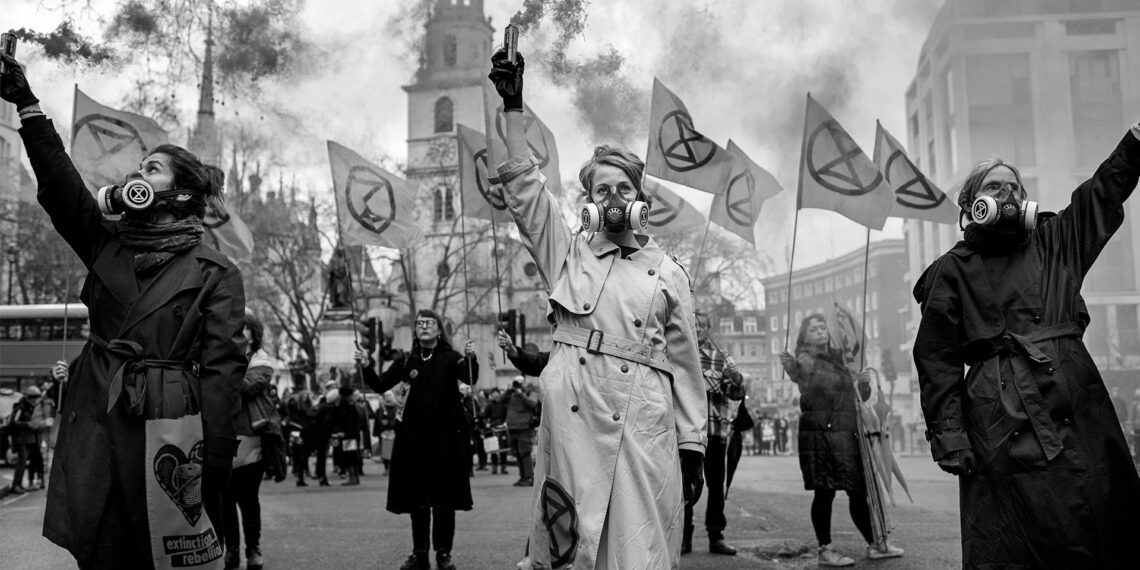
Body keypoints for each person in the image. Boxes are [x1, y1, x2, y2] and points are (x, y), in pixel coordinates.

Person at [3, 54, 247, 568]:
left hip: (168, 425)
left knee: (159, 549)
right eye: (138, 168)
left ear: (179, 193)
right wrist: (27, 105)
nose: (137, 174)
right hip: (97, 411)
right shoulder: (106, 242)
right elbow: (61, 189)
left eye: (152, 169)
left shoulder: (215, 271)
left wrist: (215, 462)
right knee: (101, 545)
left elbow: (223, 372)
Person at [489, 49, 707, 569]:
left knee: (638, 550)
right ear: (588, 201)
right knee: (572, 547)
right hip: (575, 420)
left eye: (623, 188)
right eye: (601, 189)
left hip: (643, 422)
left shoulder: (669, 272)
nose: (613, 197)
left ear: (640, 199)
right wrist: (514, 108)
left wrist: (693, 444)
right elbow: (526, 192)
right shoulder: (567, 255)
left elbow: (685, 365)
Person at [913, 124, 1140, 567]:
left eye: (1015, 187)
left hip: (1075, 397)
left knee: (1098, 513)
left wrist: (1133, 144)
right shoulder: (951, 270)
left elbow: (1100, 196)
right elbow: (937, 358)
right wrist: (950, 435)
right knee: (1018, 534)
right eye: (995, 187)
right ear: (972, 204)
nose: (1009, 195)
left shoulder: (1054, 242)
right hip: (1000, 416)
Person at [355, 309, 477, 570]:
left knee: (444, 502)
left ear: (439, 330)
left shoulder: (450, 357)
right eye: (419, 323)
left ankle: (443, 553)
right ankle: (419, 554)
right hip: (414, 442)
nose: (423, 326)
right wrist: (366, 365)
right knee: (418, 502)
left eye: (429, 323)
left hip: (445, 442)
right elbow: (380, 385)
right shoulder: (406, 360)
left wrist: (471, 357)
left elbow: (470, 377)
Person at [779, 314, 904, 566]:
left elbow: (857, 396)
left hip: (846, 434)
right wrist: (793, 368)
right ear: (805, 336)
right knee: (824, 492)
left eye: (822, 326)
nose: (820, 331)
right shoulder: (805, 358)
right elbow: (806, 379)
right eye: (813, 329)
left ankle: (875, 543)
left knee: (857, 491)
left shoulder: (840, 357)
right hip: (821, 436)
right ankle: (825, 550)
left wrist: (863, 384)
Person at [682, 311, 745, 556]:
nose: (697, 329)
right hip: (687, 433)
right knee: (685, 484)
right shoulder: (679, 352)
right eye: (693, 324)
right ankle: (683, 538)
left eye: (702, 325)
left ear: (708, 329)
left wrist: (737, 380)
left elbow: (735, 394)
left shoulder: (721, 358)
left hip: (714, 431)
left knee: (716, 486)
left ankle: (716, 536)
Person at [223, 313, 276, 570]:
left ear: (254, 336)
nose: (239, 333)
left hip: (250, 436)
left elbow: (245, 387)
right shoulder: (224, 358)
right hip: (223, 434)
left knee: (248, 498)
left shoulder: (261, 362)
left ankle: (253, 548)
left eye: (244, 330)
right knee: (225, 499)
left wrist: (222, 373)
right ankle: (231, 549)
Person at [501, 379, 539, 487]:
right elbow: (500, 402)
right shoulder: (511, 394)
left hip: (524, 428)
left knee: (525, 453)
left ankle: (529, 477)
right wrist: (507, 391)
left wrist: (521, 394)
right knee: (517, 454)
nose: (517, 386)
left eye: (519, 384)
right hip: (512, 428)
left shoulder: (531, 393)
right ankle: (522, 477)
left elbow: (532, 403)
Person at [6, 385, 41, 494]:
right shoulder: (20, 407)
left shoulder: (31, 407)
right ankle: (15, 485)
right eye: (34, 398)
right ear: (29, 397)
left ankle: (19, 484)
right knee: (21, 462)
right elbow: (13, 422)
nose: (35, 400)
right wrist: (27, 424)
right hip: (20, 438)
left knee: (24, 462)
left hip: (29, 438)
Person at [483, 387, 510, 475]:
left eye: (497, 394)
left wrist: (505, 423)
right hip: (493, 428)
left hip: (502, 428)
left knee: (503, 449)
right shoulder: (489, 406)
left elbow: (507, 416)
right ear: (491, 395)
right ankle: (494, 467)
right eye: (493, 394)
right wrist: (487, 424)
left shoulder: (503, 405)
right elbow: (485, 417)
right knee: (493, 449)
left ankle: (503, 467)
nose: (495, 396)